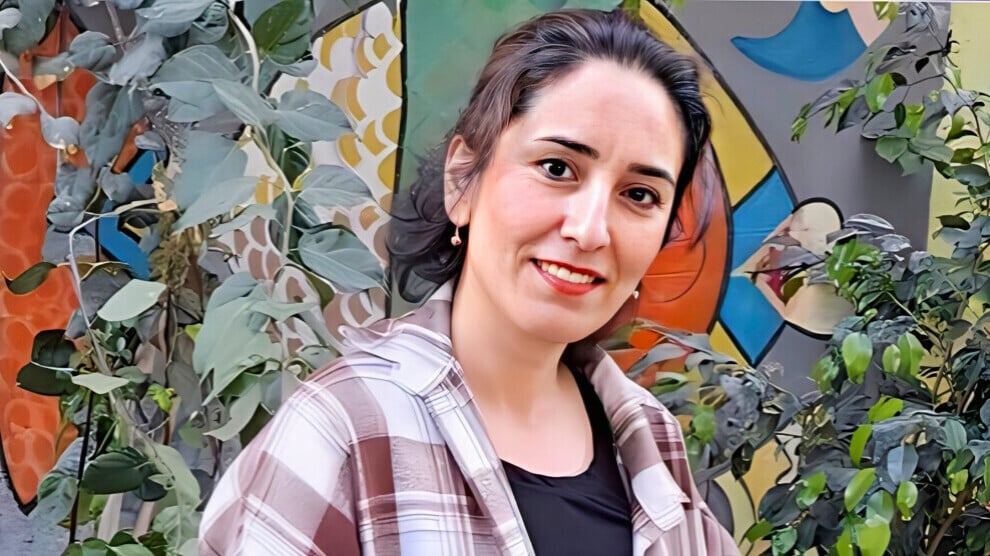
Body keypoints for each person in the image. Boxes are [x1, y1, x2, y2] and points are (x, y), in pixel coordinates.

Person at [200, 8, 738, 556]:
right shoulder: (342, 431)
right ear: (463, 179)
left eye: (639, 195)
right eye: (557, 168)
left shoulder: (650, 440)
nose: (590, 230)